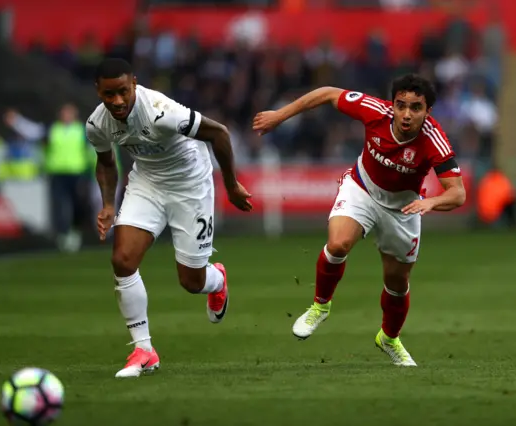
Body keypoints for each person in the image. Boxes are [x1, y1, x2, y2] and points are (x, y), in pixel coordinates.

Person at [253, 74, 466, 366]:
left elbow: (458, 194)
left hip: (404, 208)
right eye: (400, 105)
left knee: (397, 282)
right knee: (338, 244)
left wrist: (430, 202)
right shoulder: (374, 111)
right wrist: (279, 116)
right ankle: (320, 306)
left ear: (428, 112)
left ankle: (389, 338)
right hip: (362, 189)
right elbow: (328, 93)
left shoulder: (433, 140)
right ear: (392, 105)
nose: (406, 114)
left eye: (415, 108)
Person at [86, 58, 252, 378]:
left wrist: (231, 185)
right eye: (109, 95)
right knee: (122, 260)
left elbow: (218, 133)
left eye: (123, 91)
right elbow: (106, 162)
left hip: (190, 184)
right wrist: (109, 204)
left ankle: (216, 278)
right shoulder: (97, 124)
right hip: (147, 182)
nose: (117, 101)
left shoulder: (160, 111)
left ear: (134, 83)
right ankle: (144, 350)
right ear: (98, 91)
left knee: (191, 281)